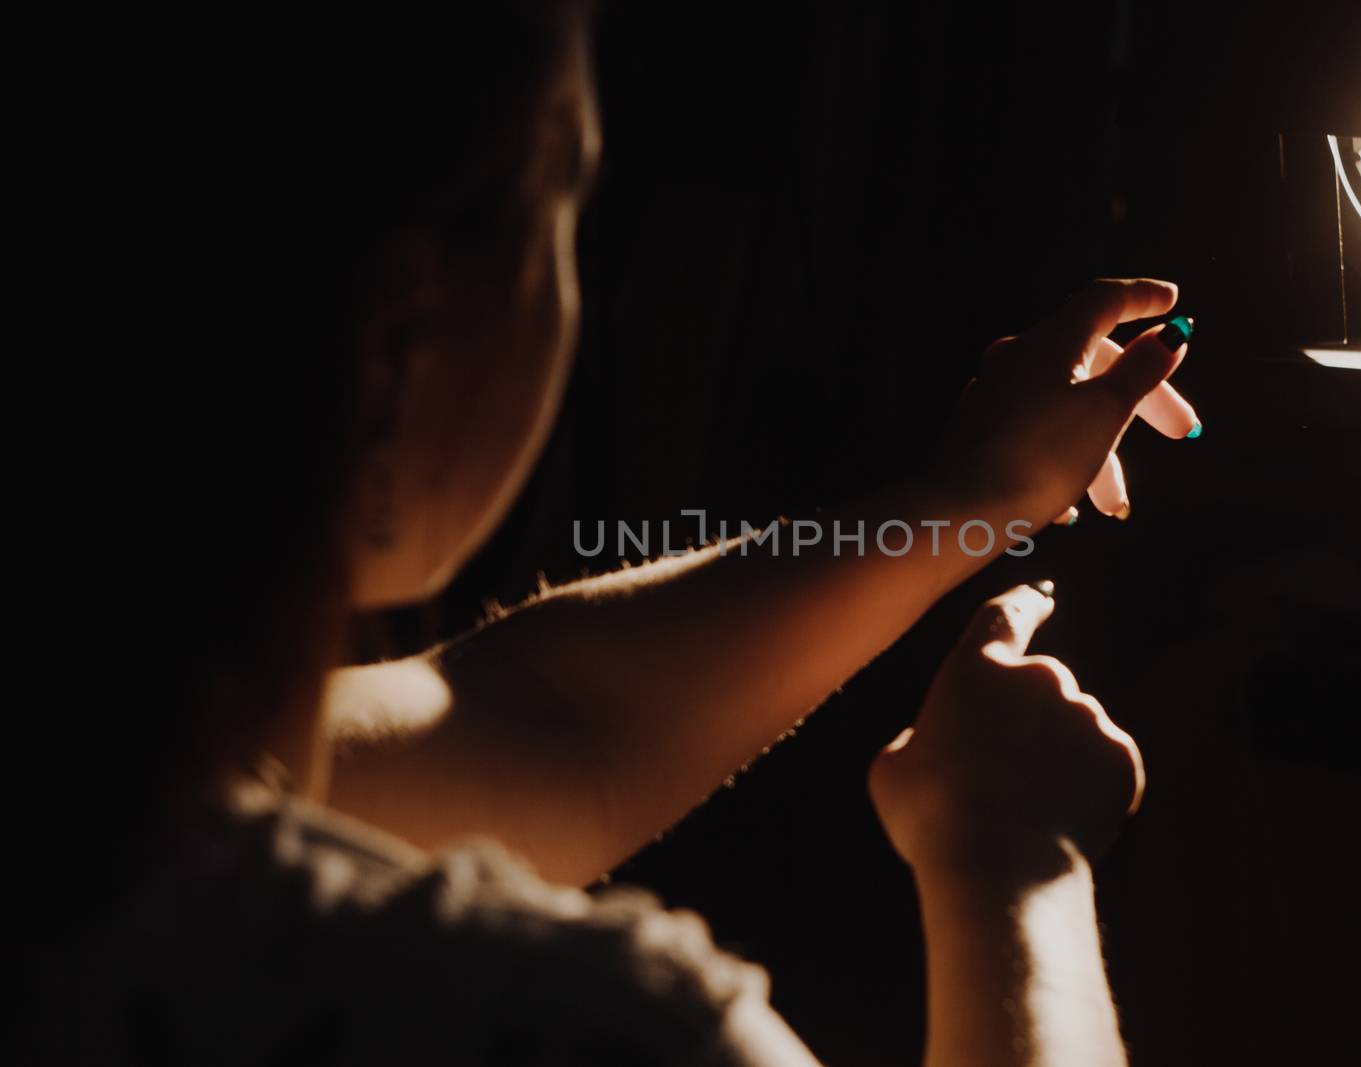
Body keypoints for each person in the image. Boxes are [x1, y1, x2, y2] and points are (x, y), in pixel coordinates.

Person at [31, 4, 1200, 1064]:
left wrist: (983, 491)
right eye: (567, 208)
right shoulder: (573, 1024)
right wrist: (1010, 862)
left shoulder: (101, 775)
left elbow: (545, 728)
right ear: (399, 351)